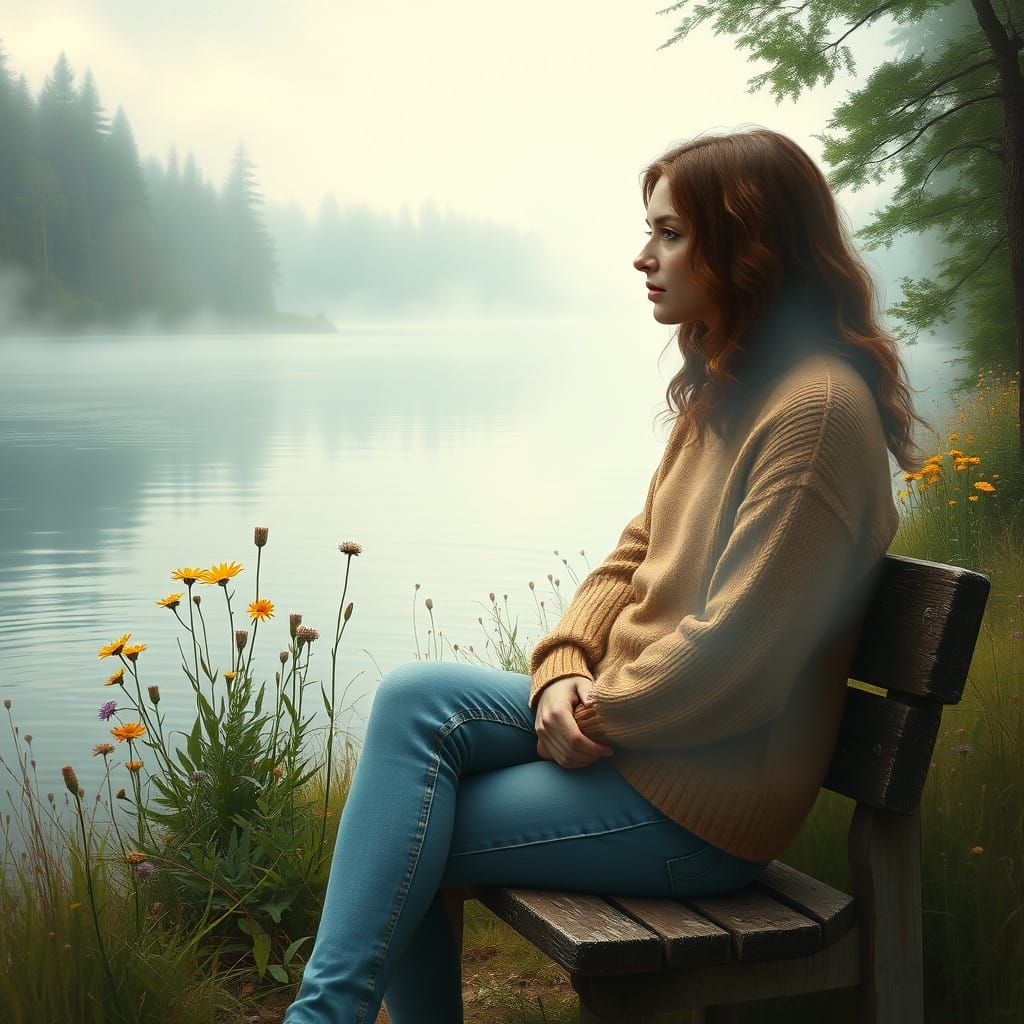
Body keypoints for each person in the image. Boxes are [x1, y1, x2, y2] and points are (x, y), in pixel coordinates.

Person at [282, 127, 932, 1024]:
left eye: (669, 234)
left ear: (748, 246)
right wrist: (561, 669)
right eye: (649, 231)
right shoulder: (730, 385)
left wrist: (595, 709)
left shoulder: (814, 413)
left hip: (704, 804)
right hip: (652, 740)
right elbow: (633, 555)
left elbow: (737, 657)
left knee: (403, 838)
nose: (642, 257)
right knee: (413, 700)